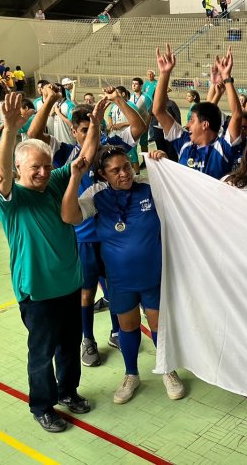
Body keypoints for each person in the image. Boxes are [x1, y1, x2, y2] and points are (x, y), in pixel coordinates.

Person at [0, 92, 99, 432]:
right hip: (36, 292)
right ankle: (42, 405)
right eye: (34, 167)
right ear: (19, 167)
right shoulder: (12, 199)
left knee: (69, 345)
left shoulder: (55, 182)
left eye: (46, 165)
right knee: (42, 354)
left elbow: (85, 157)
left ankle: (68, 392)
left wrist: (95, 125)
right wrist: (10, 130)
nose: (41, 172)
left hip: (69, 284)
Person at [29, 84, 145, 366]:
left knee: (115, 287)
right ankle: (88, 339)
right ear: (74, 132)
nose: (91, 132)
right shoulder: (66, 154)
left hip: (112, 236)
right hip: (82, 238)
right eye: (84, 129)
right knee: (86, 291)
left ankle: (118, 331)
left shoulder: (109, 153)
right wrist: (49, 102)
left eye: (95, 127)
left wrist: (119, 99)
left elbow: (139, 128)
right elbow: (33, 135)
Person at [62, 145, 186, 404]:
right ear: (102, 174)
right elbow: (70, 216)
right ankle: (131, 374)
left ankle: (168, 370)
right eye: (115, 170)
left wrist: (162, 163)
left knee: (158, 327)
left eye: (127, 167)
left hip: (153, 276)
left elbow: (183, 189)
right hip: (119, 281)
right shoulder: (97, 194)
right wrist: (74, 177)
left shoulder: (150, 186)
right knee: (128, 328)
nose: (124, 174)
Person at [153, 44, 242, 179]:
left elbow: (237, 115)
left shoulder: (222, 147)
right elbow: (158, 111)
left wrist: (226, 77)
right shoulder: (184, 142)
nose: (187, 125)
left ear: (205, 124)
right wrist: (164, 73)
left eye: (192, 120)